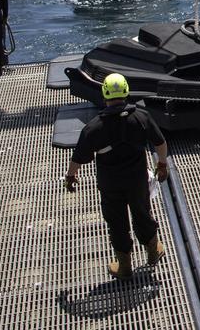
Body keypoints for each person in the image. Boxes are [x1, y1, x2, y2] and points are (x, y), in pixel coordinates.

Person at [63, 73, 169, 279]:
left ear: (105, 94)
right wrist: (162, 164)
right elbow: (160, 143)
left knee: (116, 222)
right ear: (127, 91)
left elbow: (78, 158)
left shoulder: (94, 127)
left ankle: (124, 266)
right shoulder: (141, 117)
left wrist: (70, 176)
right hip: (136, 180)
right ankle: (153, 250)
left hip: (110, 183)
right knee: (142, 213)